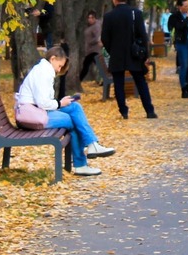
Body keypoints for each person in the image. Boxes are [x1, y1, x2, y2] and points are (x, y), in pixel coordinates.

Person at [14, 46, 115, 176]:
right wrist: (60, 103)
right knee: (72, 120)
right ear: (53, 59)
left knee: (75, 107)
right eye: (59, 65)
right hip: (31, 115)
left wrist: (61, 102)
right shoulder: (43, 73)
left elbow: (43, 101)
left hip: (37, 111)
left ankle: (92, 145)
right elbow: (43, 103)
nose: (59, 69)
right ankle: (82, 162)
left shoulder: (44, 70)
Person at [101, 0, 158, 119]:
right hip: (134, 53)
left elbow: (104, 38)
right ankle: (149, 110)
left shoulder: (109, 16)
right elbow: (142, 35)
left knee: (118, 84)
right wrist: (145, 54)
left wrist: (112, 50)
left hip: (117, 54)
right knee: (141, 82)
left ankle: (124, 111)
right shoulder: (136, 13)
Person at [79, 10, 104, 85]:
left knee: (87, 65)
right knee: (98, 66)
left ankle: (79, 80)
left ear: (94, 18)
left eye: (92, 18)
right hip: (90, 50)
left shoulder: (96, 26)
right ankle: (103, 79)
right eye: (89, 18)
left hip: (94, 50)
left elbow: (97, 38)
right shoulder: (91, 26)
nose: (90, 19)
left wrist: (90, 42)